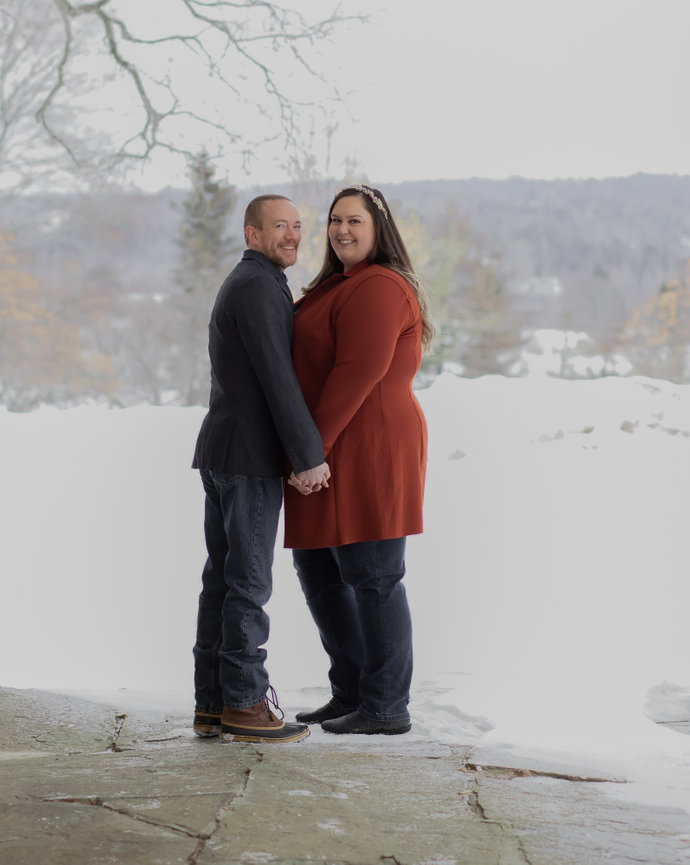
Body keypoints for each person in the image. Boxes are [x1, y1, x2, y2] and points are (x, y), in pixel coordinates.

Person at [284, 184, 433, 734]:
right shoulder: (337, 286)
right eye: (334, 220)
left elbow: (358, 372)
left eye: (355, 222)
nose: (342, 230)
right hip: (327, 444)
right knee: (320, 570)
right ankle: (350, 691)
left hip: (369, 443)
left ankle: (386, 705)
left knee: (373, 575)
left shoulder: (379, 287)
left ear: (379, 229)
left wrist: (308, 450)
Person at [191, 194, 330, 744]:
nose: (292, 235)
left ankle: (214, 703)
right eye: (279, 227)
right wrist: (309, 455)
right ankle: (246, 704)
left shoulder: (256, 281)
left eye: (297, 226)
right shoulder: (255, 286)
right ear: (252, 234)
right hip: (246, 457)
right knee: (246, 584)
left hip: (227, 451)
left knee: (222, 582)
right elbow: (278, 377)